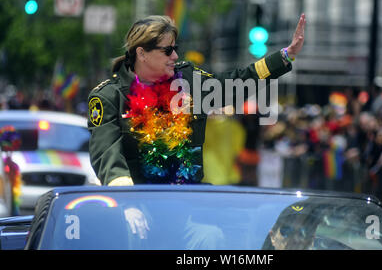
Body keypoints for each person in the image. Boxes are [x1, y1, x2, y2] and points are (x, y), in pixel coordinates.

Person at [88, 14, 306, 186]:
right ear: (142, 53)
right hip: (137, 206)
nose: (175, 56)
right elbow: (106, 152)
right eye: (167, 50)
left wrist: (286, 56)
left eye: (175, 49)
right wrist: (124, 192)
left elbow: (237, 83)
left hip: (187, 203)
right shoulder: (108, 97)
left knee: (213, 240)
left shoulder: (188, 81)